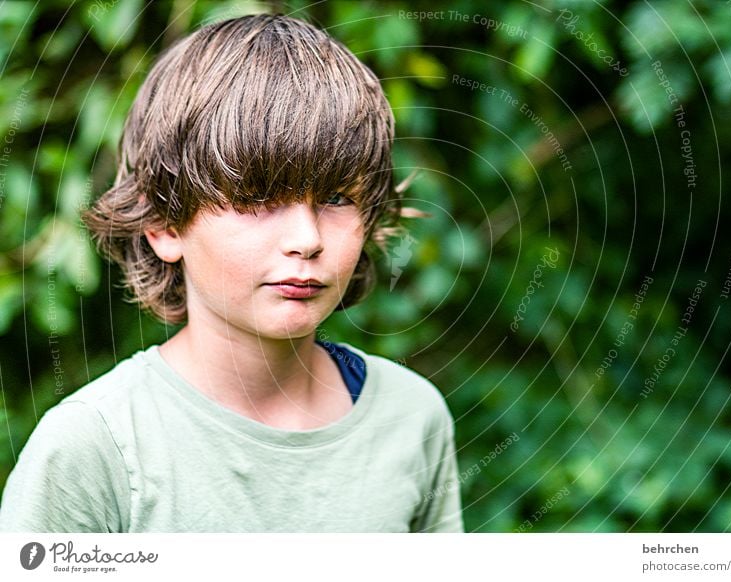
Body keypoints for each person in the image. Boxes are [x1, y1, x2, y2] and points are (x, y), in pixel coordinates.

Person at [0, 14, 463, 533]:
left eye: (336, 198)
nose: (307, 239)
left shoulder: (412, 417)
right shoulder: (93, 447)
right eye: (259, 199)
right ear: (164, 223)